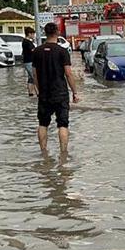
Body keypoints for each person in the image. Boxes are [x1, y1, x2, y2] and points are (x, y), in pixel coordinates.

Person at [32, 23, 80, 154]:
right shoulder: (62, 51)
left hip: (44, 93)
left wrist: (39, 90)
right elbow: (68, 73)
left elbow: (34, 74)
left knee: (43, 124)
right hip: (60, 93)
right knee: (63, 124)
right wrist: (75, 92)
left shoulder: (37, 51)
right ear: (57, 33)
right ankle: (63, 154)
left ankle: (43, 152)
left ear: (45, 33)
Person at [22, 28, 37, 97]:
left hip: (27, 61)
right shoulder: (27, 42)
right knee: (35, 77)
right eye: (33, 34)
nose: (34, 35)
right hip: (29, 62)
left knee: (30, 78)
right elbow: (33, 50)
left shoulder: (25, 41)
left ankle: (30, 93)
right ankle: (38, 93)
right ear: (29, 34)